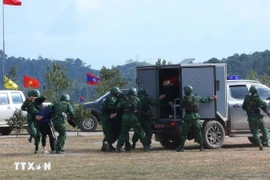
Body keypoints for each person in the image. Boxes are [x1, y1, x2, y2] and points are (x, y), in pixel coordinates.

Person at [176, 85, 217, 152]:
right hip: (196, 118)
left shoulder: (185, 99)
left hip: (188, 118)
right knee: (198, 133)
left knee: (184, 133)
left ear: (186, 91)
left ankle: (182, 148)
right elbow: (204, 99)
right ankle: (201, 147)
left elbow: (181, 106)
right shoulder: (196, 97)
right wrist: (212, 98)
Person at [111, 87, 148, 153]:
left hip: (125, 118)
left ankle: (118, 147)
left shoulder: (124, 99)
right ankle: (145, 146)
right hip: (133, 118)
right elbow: (139, 107)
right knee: (140, 132)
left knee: (123, 133)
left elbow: (118, 107)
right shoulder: (136, 99)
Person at [242, 85, 270, 151]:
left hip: (251, 117)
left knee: (255, 132)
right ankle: (267, 142)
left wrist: (249, 110)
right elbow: (264, 105)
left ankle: (260, 144)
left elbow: (243, 107)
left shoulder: (247, 97)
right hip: (258, 117)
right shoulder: (257, 97)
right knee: (264, 129)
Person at [21, 89, 46, 153]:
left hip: (37, 118)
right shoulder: (27, 101)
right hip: (31, 119)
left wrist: (36, 98)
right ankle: (31, 136)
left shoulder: (39, 101)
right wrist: (28, 109)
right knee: (33, 132)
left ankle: (36, 148)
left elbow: (43, 100)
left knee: (38, 134)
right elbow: (22, 107)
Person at [101, 86, 121, 152]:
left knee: (109, 133)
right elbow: (111, 107)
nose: (118, 94)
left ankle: (107, 146)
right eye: (117, 93)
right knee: (110, 133)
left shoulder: (110, 97)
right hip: (107, 118)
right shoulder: (111, 98)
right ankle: (106, 144)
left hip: (106, 117)